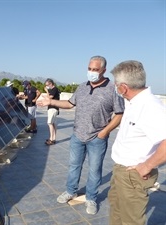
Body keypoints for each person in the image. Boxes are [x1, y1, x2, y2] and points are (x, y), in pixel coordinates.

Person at [37, 55, 125, 215]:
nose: (91, 72)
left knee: (94, 169)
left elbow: (119, 114)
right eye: (89, 69)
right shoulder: (82, 87)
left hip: (97, 138)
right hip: (77, 135)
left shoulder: (113, 89)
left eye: (95, 69)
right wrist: (51, 103)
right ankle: (71, 191)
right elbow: (70, 104)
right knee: (74, 166)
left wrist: (105, 132)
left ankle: (91, 198)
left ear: (104, 70)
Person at [108, 60, 166, 225]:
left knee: (131, 221)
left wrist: (147, 165)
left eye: (116, 84)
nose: (115, 87)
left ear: (124, 87)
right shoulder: (133, 102)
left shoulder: (150, 107)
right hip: (121, 170)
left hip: (132, 175)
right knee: (117, 212)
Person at [43, 78, 60, 145]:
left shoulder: (54, 89)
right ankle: (53, 138)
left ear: (50, 83)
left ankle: (51, 139)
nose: (47, 86)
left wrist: (47, 91)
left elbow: (50, 97)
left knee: (50, 123)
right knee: (53, 123)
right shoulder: (53, 89)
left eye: (47, 85)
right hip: (53, 108)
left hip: (53, 108)